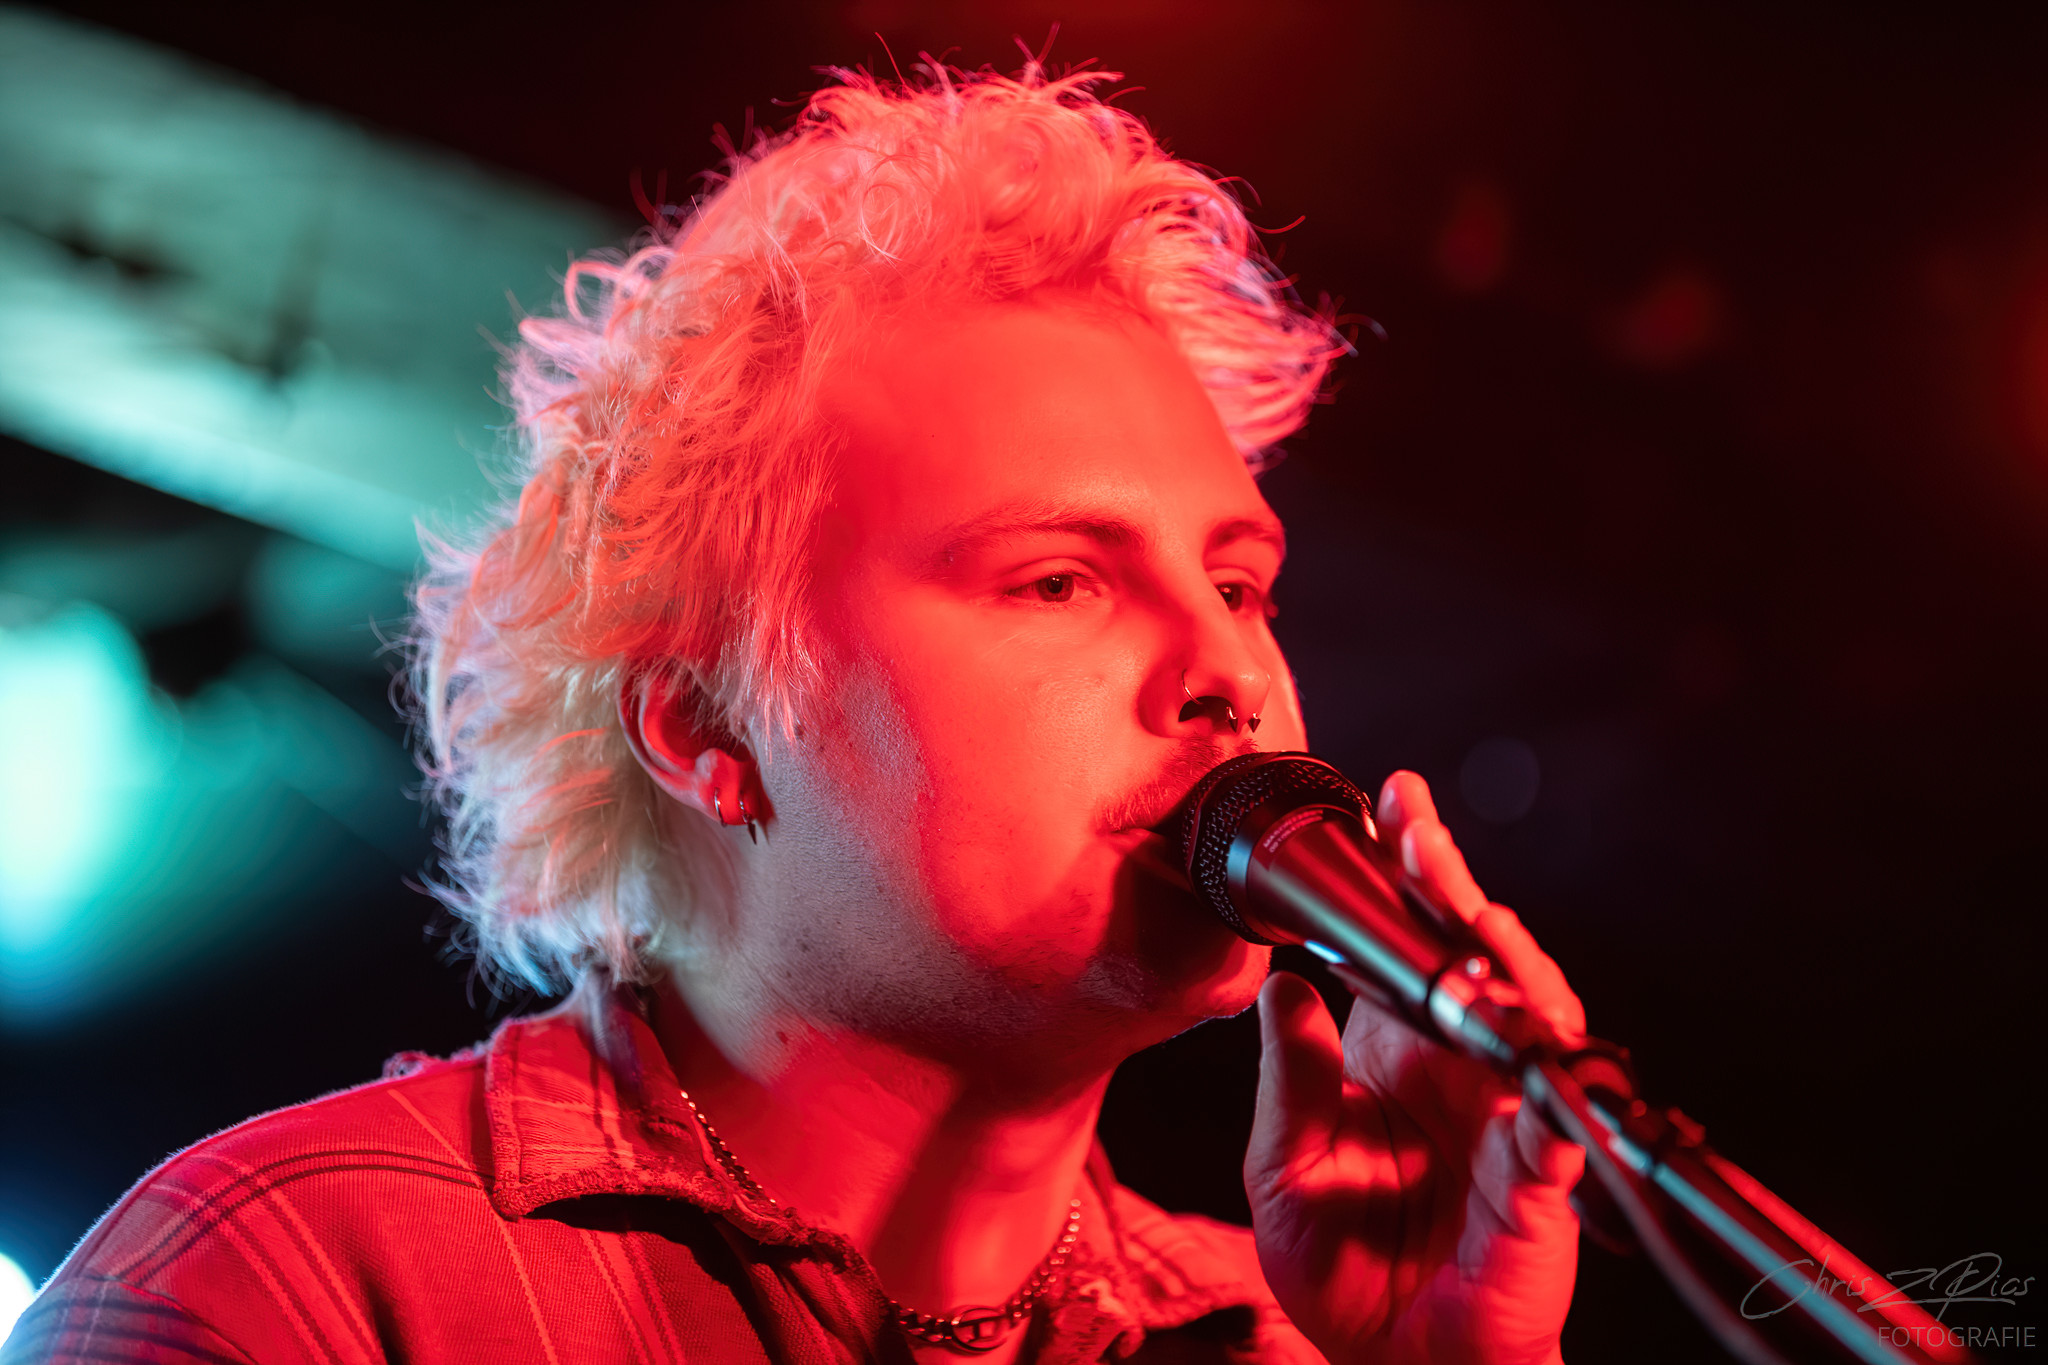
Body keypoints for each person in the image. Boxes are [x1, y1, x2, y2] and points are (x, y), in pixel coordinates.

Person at [4, 60, 1588, 1365]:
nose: (1227, 668)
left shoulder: (1286, 1340)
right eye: (1055, 580)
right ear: (706, 727)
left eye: (1239, 584)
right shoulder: (295, 1289)